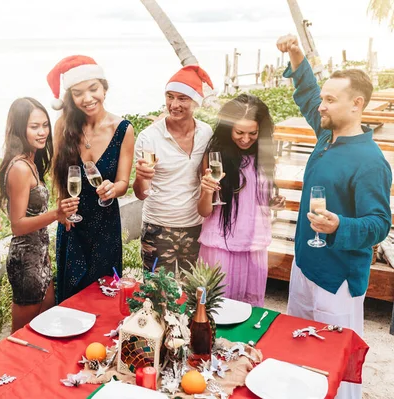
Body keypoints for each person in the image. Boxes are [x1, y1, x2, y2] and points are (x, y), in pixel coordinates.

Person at [277, 34, 391, 399]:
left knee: (333, 362)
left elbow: (379, 224)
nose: (321, 106)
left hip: (339, 280)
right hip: (304, 266)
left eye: (330, 100)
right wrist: (296, 55)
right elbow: (309, 93)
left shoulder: (371, 161)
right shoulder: (327, 135)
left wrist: (340, 225)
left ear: (356, 104)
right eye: (323, 99)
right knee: (299, 349)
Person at [47, 55, 135, 303]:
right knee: (70, 299)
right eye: (78, 93)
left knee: (104, 298)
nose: (87, 98)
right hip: (71, 226)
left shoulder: (123, 129)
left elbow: (123, 182)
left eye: (93, 88)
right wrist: (61, 209)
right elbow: (58, 180)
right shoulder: (63, 126)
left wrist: (113, 189)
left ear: (104, 89)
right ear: (70, 98)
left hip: (105, 226)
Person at [0, 97, 78, 332]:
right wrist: (56, 213)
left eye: (45, 125)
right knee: (22, 337)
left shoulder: (31, 160)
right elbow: (17, 225)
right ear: (19, 128)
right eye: (34, 127)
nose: (42, 132)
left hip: (40, 256)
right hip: (26, 263)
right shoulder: (20, 168)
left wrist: (60, 216)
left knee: (45, 327)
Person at [197, 94, 285, 306]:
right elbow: (204, 211)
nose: (245, 139)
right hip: (220, 244)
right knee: (216, 308)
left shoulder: (264, 156)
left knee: (250, 308)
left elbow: (258, 196)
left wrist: (272, 202)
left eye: (252, 133)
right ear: (229, 130)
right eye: (239, 132)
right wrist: (207, 191)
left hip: (255, 245)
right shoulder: (215, 156)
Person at [133, 65, 214, 272]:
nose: (174, 104)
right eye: (170, 97)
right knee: (157, 293)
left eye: (182, 98)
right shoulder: (149, 137)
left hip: (195, 226)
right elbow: (141, 194)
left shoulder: (206, 132)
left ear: (196, 101)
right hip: (158, 227)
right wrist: (141, 178)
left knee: (191, 292)